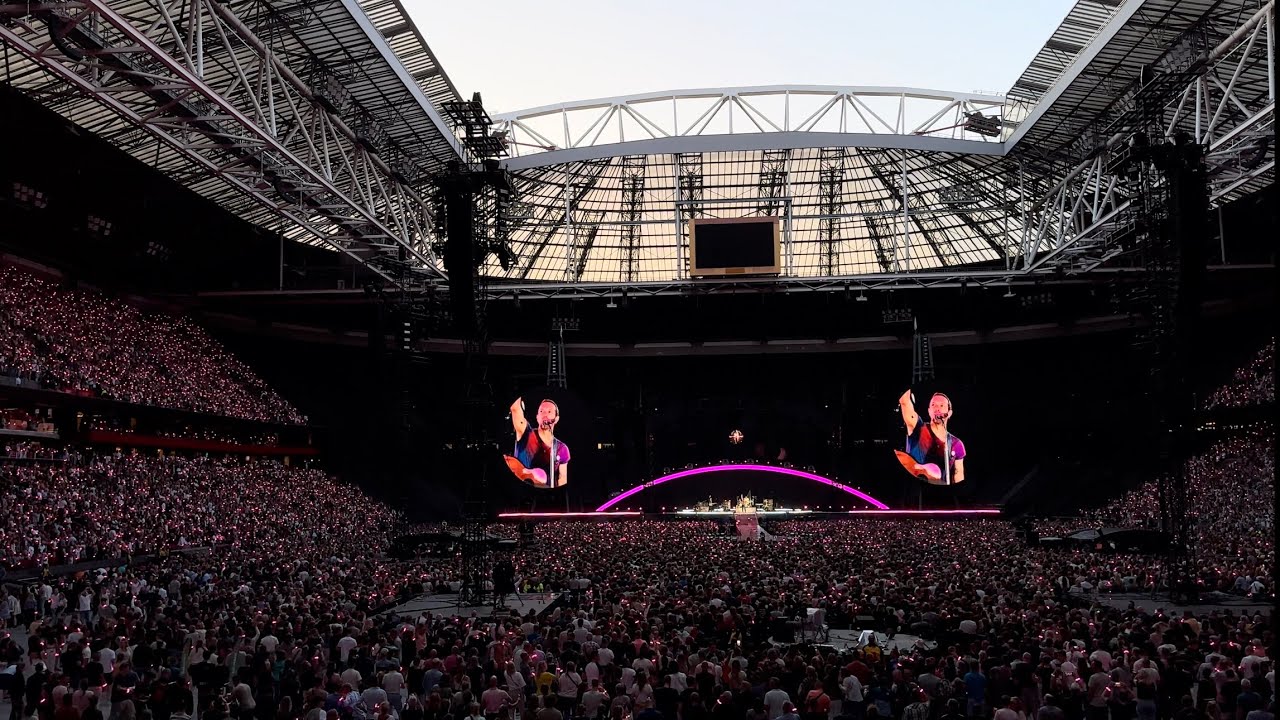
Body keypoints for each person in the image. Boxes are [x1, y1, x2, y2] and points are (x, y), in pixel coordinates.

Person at [896, 390, 966, 485]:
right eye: (933, 405)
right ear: (929, 411)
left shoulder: (956, 444)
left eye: (942, 405)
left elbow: (958, 475)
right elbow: (904, 402)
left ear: (949, 413)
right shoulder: (918, 427)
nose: (937, 408)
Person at [505, 397, 571, 488]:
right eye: (541, 411)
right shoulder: (525, 432)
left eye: (549, 412)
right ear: (537, 417)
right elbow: (515, 408)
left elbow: (562, 478)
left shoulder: (561, 448)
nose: (545, 414)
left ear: (556, 419)